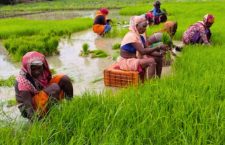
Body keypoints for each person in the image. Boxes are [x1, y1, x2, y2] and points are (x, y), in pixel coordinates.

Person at [15, 51, 73, 120]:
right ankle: (51, 116)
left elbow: (48, 83)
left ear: (43, 65)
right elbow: (28, 107)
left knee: (64, 79)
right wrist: (38, 122)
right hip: (29, 106)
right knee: (54, 88)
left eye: (39, 68)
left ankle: (70, 105)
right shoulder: (22, 82)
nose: (37, 71)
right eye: (33, 69)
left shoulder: (44, 72)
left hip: (41, 95)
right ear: (27, 68)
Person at [115, 16, 167, 81]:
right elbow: (143, 51)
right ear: (136, 26)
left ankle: (158, 79)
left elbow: (148, 50)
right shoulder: (131, 36)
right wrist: (158, 47)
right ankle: (151, 84)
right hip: (127, 61)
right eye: (143, 26)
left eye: (146, 26)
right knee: (151, 61)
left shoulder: (140, 37)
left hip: (135, 58)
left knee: (158, 58)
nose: (145, 29)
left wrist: (159, 54)